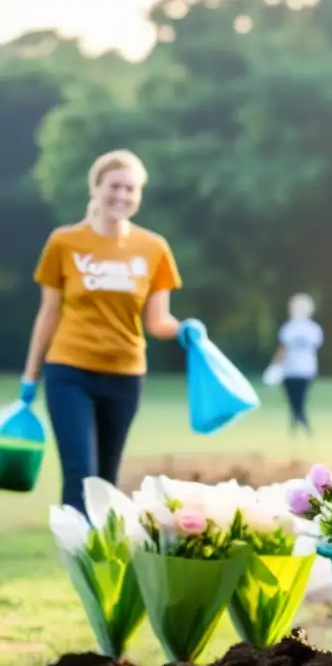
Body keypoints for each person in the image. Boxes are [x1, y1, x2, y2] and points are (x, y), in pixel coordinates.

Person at [19, 149, 200, 515]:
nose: (122, 195)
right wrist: (30, 375)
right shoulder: (64, 242)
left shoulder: (153, 248)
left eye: (131, 189)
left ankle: (100, 566)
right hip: (69, 371)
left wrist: (185, 329)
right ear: (96, 188)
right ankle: (77, 563)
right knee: (79, 474)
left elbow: (157, 321)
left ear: (139, 195)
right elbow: (49, 313)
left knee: (104, 481)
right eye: (114, 186)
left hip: (125, 376)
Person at [272, 293, 323, 435]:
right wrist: (276, 366)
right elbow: (283, 348)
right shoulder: (297, 328)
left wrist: (275, 365)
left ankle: (298, 421)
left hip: (302, 369)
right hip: (295, 369)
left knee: (299, 398)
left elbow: (282, 349)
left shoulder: (308, 329)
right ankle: (299, 420)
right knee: (295, 398)